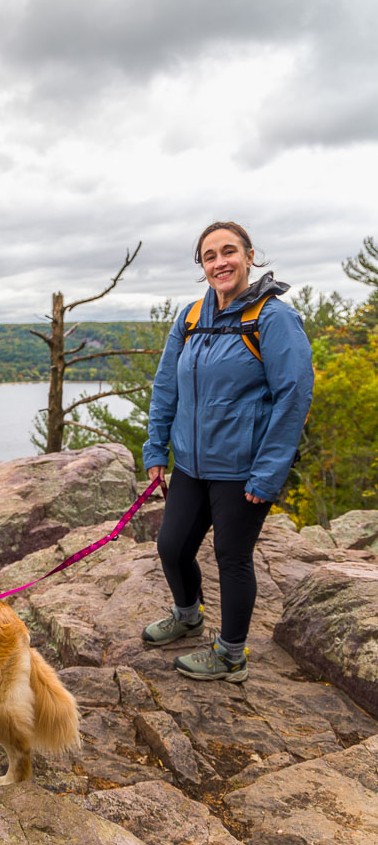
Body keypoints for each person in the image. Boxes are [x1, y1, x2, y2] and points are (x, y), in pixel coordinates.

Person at [141, 221, 314, 682]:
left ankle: (232, 654)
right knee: (172, 546)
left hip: (243, 469)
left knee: (231, 557)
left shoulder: (273, 318)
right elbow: (166, 386)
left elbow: (293, 396)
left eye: (228, 251)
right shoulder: (191, 317)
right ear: (202, 266)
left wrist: (269, 472)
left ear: (250, 256)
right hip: (192, 465)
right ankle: (188, 616)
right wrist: (157, 446)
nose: (220, 262)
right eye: (210, 255)